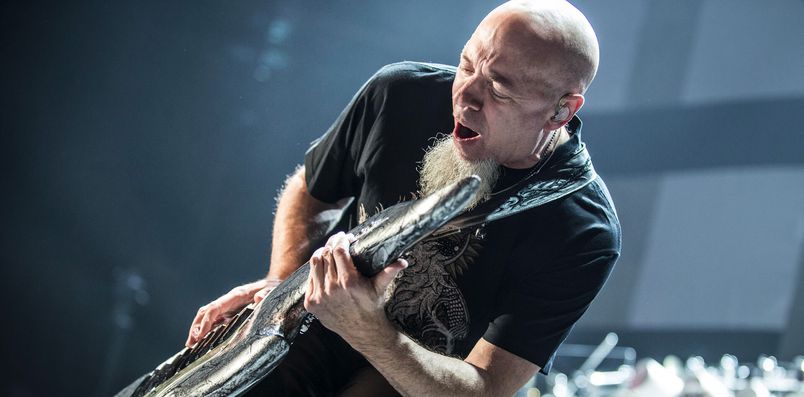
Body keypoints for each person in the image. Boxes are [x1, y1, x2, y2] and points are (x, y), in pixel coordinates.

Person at [186, 0, 620, 395]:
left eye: (499, 90)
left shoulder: (584, 230)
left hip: (425, 380)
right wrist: (279, 284)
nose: (465, 96)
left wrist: (370, 333)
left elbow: (487, 387)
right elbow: (313, 187)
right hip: (317, 329)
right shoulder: (398, 93)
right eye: (467, 64)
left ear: (561, 110)